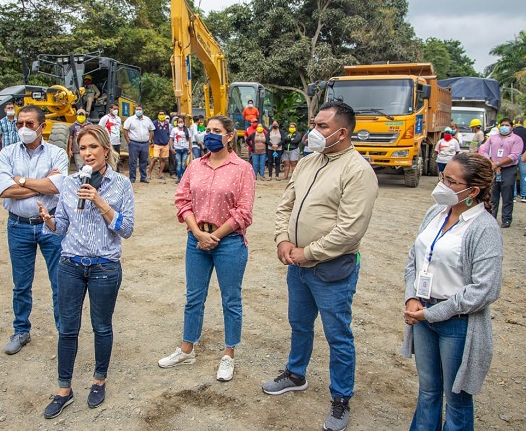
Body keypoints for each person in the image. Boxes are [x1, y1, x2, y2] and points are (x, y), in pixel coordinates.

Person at [265, 101, 378, 431]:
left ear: (342, 133)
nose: (313, 131)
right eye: (313, 124)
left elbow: (350, 231)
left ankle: (341, 398)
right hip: (297, 266)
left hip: (332, 270)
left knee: (337, 335)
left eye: (322, 126)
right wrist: (283, 241)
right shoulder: (307, 162)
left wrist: (308, 252)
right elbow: (285, 206)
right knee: (299, 324)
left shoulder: (357, 171)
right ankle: (295, 373)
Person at [38, 125, 134, 418]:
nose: (88, 153)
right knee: (67, 328)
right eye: (83, 148)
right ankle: (64, 390)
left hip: (105, 267)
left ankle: (98, 380)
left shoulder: (120, 184)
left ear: (106, 149)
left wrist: (100, 201)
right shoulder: (68, 184)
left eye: (93, 147)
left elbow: (126, 229)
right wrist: (49, 221)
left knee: (101, 327)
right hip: (70, 266)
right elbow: (62, 228)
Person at [401, 153, 502, 431]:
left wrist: (433, 313)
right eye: (443, 176)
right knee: (428, 391)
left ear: (473, 191)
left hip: (457, 325)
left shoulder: (483, 228)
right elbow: (415, 258)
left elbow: (485, 289)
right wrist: (412, 297)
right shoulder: (435, 213)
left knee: (456, 400)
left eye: (450, 181)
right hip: (422, 315)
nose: (441, 184)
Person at [158, 115, 255, 383]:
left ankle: (228, 355)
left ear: (229, 136)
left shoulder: (242, 169)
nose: (209, 135)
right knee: (194, 297)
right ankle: (187, 349)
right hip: (196, 239)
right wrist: (198, 232)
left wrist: (215, 236)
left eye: (216, 131)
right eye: (207, 130)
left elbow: (244, 212)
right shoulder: (195, 166)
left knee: (231, 299)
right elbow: (182, 199)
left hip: (230, 243)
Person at [0, 105, 69, 355]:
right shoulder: (6, 153)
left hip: (51, 226)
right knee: (21, 284)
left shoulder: (57, 153)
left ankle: (64, 333)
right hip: (18, 226)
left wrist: (21, 180)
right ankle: (21, 331)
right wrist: (43, 185)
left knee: (59, 282)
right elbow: (4, 190)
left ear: (42, 126)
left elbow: (59, 186)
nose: (23, 128)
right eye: (19, 124)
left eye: (29, 124)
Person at [479, 118, 523, 228]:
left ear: (512, 127)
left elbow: (514, 155)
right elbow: (484, 150)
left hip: (508, 169)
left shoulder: (516, 139)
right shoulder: (492, 138)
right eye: (502, 125)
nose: (504, 127)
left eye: (507, 125)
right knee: (492, 194)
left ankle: (506, 219)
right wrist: (492, 164)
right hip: (492, 168)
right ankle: (490, 218)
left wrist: (498, 164)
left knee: (507, 195)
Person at [123, 104, 154, 183]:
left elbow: (151, 130)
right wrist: (128, 141)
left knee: (143, 161)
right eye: (137, 109)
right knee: (132, 161)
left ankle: (143, 177)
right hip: (134, 143)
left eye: (140, 109)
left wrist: (150, 140)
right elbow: (125, 130)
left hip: (145, 143)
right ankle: (132, 178)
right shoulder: (130, 119)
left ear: (143, 110)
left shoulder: (147, 119)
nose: (138, 111)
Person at [148, 110, 171, 180]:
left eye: (163, 114)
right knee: (155, 158)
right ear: (158, 115)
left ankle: (160, 174)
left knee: (163, 159)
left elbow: (168, 133)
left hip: (165, 144)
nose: (161, 115)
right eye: (160, 114)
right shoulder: (154, 123)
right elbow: (151, 132)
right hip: (157, 143)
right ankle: (149, 173)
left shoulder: (167, 124)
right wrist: (151, 141)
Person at [169, 115, 192, 183]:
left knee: (184, 164)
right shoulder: (174, 130)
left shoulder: (187, 130)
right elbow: (171, 139)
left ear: (183, 122)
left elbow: (190, 140)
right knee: (178, 164)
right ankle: (179, 178)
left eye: (181, 122)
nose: (180, 123)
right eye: (179, 122)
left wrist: (190, 149)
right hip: (177, 149)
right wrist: (171, 148)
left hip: (185, 149)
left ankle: (184, 178)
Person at [512, 119, 526, 202]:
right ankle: (523, 195)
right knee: (523, 176)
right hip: (524, 155)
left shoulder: (513, 132)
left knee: (513, 175)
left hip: (514, 155)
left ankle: (513, 195)